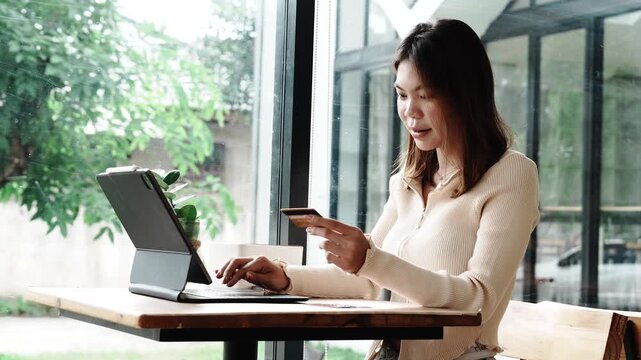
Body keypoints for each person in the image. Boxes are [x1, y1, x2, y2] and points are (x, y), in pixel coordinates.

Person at [216, 18, 539, 360]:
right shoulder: (407, 182)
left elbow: (478, 299)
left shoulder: (511, 174)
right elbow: (367, 281)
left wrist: (370, 259)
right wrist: (284, 277)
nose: (410, 112)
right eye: (402, 95)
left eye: (425, 96)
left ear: (465, 95)